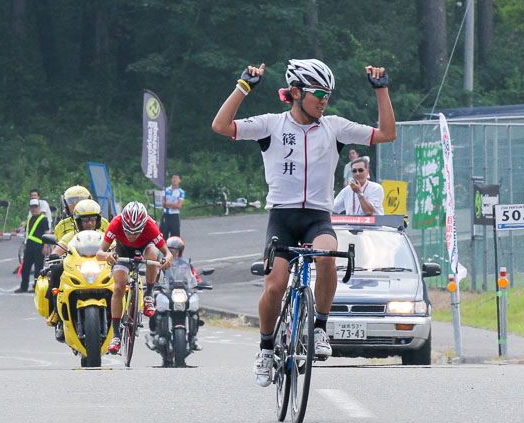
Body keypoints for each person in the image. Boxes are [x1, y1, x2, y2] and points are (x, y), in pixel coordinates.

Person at [212, 58, 395, 386]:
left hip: (317, 218)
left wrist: (381, 91)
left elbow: (387, 133)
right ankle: (266, 348)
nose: (325, 100)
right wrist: (243, 87)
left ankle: (320, 329)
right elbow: (221, 126)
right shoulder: (271, 125)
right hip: (282, 218)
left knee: (327, 257)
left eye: (328, 94)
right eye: (318, 94)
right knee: (275, 286)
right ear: (295, 92)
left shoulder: (335, 127)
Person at [96, 201, 173, 354]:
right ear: (123, 224)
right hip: (122, 251)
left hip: (145, 248)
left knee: (153, 254)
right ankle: (116, 336)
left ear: (144, 226)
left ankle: (149, 295)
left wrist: (166, 261)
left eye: (136, 232)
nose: (131, 236)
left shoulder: (151, 226)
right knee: (118, 288)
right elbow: (99, 254)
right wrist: (108, 255)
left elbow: (167, 253)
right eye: (128, 232)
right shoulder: (116, 223)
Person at [45, 199, 105, 328]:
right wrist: (54, 255)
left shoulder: (104, 236)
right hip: (77, 267)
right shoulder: (71, 236)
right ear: (78, 222)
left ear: (98, 220)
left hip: (100, 268)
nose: (89, 223)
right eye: (85, 220)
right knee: (56, 269)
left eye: (93, 219)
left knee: (121, 274)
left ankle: (122, 310)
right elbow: (59, 248)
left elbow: (115, 247)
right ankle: (55, 310)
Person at [15, 199, 50, 293]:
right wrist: (25, 244)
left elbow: (46, 233)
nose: (34, 209)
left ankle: (36, 287)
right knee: (25, 268)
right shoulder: (30, 219)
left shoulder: (43, 219)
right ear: (30, 208)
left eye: (36, 207)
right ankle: (24, 286)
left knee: (38, 269)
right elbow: (28, 233)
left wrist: (45, 246)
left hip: (39, 246)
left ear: (39, 207)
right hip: (30, 245)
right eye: (32, 207)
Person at [160, 174, 185, 239]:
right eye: (173, 178)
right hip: (165, 214)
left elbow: (179, 205)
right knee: (162, 236)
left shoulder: (181, 192)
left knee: (175, 237)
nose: (174, 180)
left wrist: (168, 204)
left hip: (174, 215)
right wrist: (174, 204)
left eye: (176, 178)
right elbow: (163, 204)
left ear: (180, 180)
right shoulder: (166, 190)